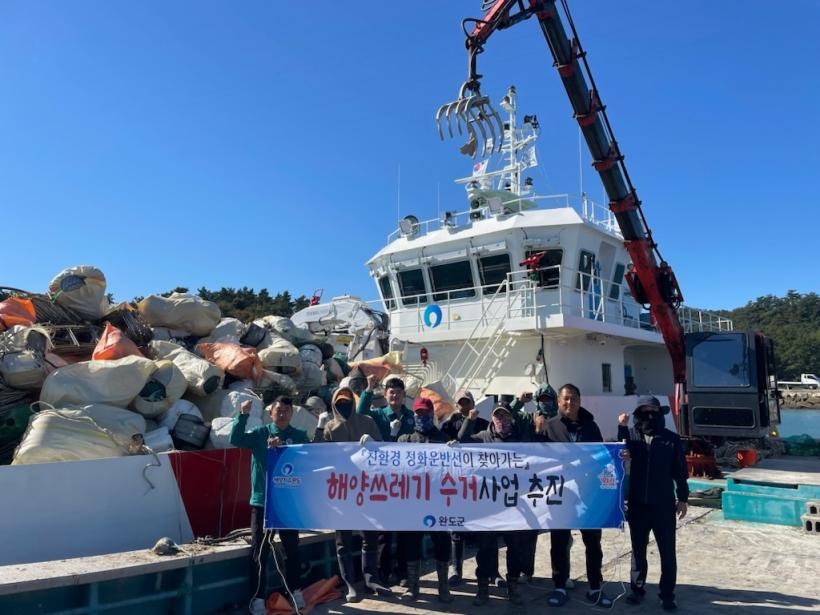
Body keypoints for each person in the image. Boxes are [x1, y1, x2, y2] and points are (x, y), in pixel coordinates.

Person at [230, 396, 308, 614]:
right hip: (262, 502)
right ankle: (257, 598)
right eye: (278, 410)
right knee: (260, 550)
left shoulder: (299, 436)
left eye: (286, 410)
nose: (282, 414)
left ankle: (295, 590)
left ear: (292, 413)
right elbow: (235, 439)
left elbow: (308, 462)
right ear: (270, 413)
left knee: (292, 549)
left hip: (287, 503)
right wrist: (243, 415)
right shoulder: (260, 434)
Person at [618, 396, 689, 611]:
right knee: (637, 551)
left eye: (653, 410)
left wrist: (683, 498)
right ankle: (637, 590)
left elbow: (680, 471)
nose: (649, 414)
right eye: (644, 410)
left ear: (660, 412)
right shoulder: (632, 436)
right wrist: (621, 427)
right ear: (638, 414)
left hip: (664, 505)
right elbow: (617, 453)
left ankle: (667, 594)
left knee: (667, 552)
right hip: (638, 504)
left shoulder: (671, 439)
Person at [322, 385, 393, 602]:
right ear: (334, 405)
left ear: (353, 403)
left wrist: (374, 444)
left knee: (369, 536)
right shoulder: (330, 427)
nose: (344, 405)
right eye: (339, 402)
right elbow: (321, 457)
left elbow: (384, 453)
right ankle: (350, 584)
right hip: (341, 491)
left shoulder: (367, 422)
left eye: (347, 401)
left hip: (366, 488)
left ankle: (371, 578)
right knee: (342, 540)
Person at [545, 384, 612, 608]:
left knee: (592, 543)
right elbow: (535, 458)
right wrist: (536, 431)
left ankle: (595, 587)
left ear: (579, 401)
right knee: (559, 542)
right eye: (565, 398)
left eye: (573, 398)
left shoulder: (591, 426)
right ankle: (560, 585)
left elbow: (602, 456)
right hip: (560, 494)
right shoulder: (550, 426)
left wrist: (619, 455)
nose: (569, 402)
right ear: (558, 401)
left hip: (588, 494)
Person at [459, 403, 528, 606]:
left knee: (515, 548)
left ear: (512, 418)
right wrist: (469, 420)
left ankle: (513, 588)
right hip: (487, 504)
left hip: (514, 505)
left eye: (505, 416)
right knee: (486, 548)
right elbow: (462, 439)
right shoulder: (483, 437)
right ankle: (483, 589)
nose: (502, 421)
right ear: (492, 418)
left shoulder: (519, 438)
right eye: (498, 416)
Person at [357, 375, 414, 585]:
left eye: (399, 392)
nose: (395, 396)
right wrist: (369, 389)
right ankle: (383, 573)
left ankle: (403, 573)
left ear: (404, 395)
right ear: (385, 394)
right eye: (391, 392)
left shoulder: (411, 416)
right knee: (383, 531)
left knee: (405, 529)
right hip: (382, 481)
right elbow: (360, 413)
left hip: (405, 480)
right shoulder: (379, 414)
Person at [395, 397, 454, 603]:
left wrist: (456, 451)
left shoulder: (444, 440)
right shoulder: (404, 440)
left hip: (438, 503)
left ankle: (444, 587)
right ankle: (413, 587)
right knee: (411, 544)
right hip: (413, 503)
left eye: (426, 413)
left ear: (432, 415)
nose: (422, 417)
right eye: (418, 413)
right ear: (414, 415)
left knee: (442, 543)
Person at [439, 389, 488, 586]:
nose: (464, 405)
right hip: (457, 482)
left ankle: (488, 570)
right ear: (456, 404)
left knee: (484, 529)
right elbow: (445, 445)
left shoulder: (484, 423)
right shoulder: (448, 424)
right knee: (456, 529)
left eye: (467, 402)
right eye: (460, 402)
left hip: (480, 481)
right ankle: (456, 569)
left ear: (473, 403)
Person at [511, 384, 558, 583]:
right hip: (532, 483)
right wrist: (519, 401)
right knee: (529, 530)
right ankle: (526, 570)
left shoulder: (561, 421)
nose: (545, 403)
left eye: (549, 399)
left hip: (557, 483)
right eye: (542, 400)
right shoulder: (528, 419)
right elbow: (508, 415)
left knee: (561, 533)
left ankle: (561, 575)